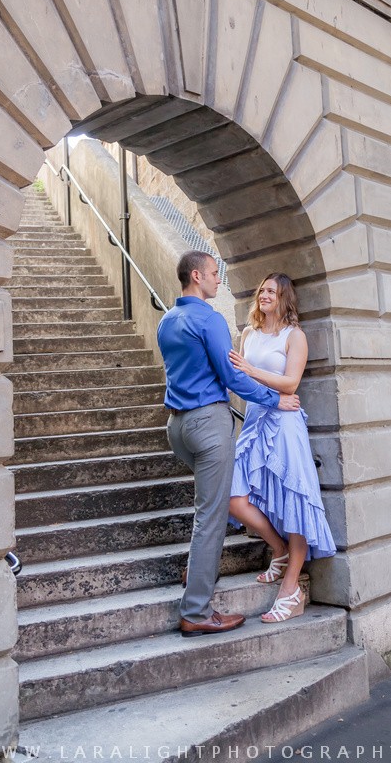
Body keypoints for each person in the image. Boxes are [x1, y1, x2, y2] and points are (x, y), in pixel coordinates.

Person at [157, 251, 300, 638]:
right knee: (211, 517)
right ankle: (197, 611)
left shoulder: (167, 321)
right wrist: (276, 399)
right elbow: (232, 377)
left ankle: (196, 571)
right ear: (197, 276)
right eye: (215, 275)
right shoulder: (209, 319)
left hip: (177, 426)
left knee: (208, 505)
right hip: (207, 423)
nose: (218, 281)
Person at [229, 273, 336, 623]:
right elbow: (241, 383)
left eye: (272, 291)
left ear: (284, 298)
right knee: (236, 497)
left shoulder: (295, 336)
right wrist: (250, 376)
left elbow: (291, 382)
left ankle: (291, 590)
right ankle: (279, 550)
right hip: (256, 419)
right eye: (262, 289)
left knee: (295, 498)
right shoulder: (250, 334)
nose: (264, 294)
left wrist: (250, 371)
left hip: (286, 424)